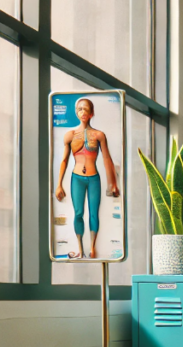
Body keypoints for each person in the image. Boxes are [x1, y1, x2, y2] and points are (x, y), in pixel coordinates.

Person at [55, 97, 120, 259]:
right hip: (77, 177)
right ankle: (80, 248)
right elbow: (64, 160)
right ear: (76, 112)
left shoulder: (99, 135)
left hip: (93, 178)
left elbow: (107, 158)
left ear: (92, 113)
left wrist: (113, 183)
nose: (83, 112)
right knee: (78, 213)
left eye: (86, 109)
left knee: (93, 214)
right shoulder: (70, 135)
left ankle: (92, 248)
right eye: (80, 109)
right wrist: (59, 184)